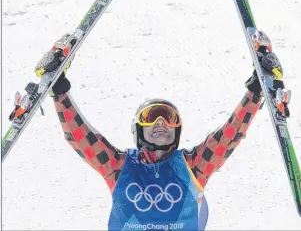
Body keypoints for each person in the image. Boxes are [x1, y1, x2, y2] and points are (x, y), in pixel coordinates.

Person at [34, 30, 289, 230]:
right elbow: (82, 140)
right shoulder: (120, 167)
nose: (161, 124)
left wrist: (255, 92)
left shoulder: (191, 166)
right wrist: (60, 93)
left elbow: (229, 136)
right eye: (152, 117)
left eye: (169, 118)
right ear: (138, 128)